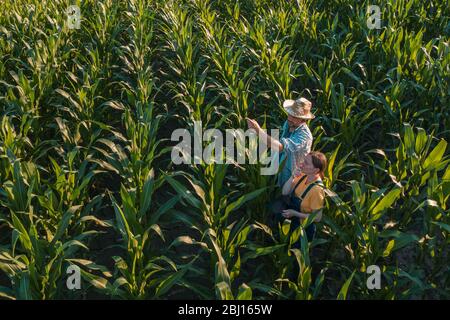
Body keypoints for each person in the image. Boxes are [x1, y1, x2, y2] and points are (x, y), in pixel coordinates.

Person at [246, 97, 315, 187]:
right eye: (289, 114)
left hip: (292, 178)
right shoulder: (289, 123)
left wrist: (259, 131)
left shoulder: (305, 136)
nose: (289, 118)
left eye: (294, 116)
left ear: (302, 119)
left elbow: (280, 147)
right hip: (279, 170)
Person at [275, 151, 327, 244]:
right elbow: (285, 192)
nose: (301, 164)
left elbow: (317, 218)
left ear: (316, 170)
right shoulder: (303, 175)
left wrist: (295, 213)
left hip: (303, 229)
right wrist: (292, 176)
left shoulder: (317, 190)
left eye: (306, 163)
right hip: (293, 221)